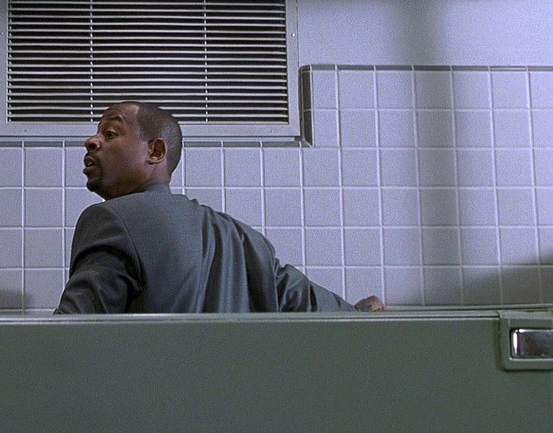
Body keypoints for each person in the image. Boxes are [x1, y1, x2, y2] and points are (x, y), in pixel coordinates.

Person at [55, 101, 384, 314]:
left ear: (155, 152)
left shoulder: (110, 220)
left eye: (110, 133)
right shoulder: (239, 238)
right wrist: (361, 314)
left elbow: (72, 335)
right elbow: (305, 302)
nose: (91, 140)